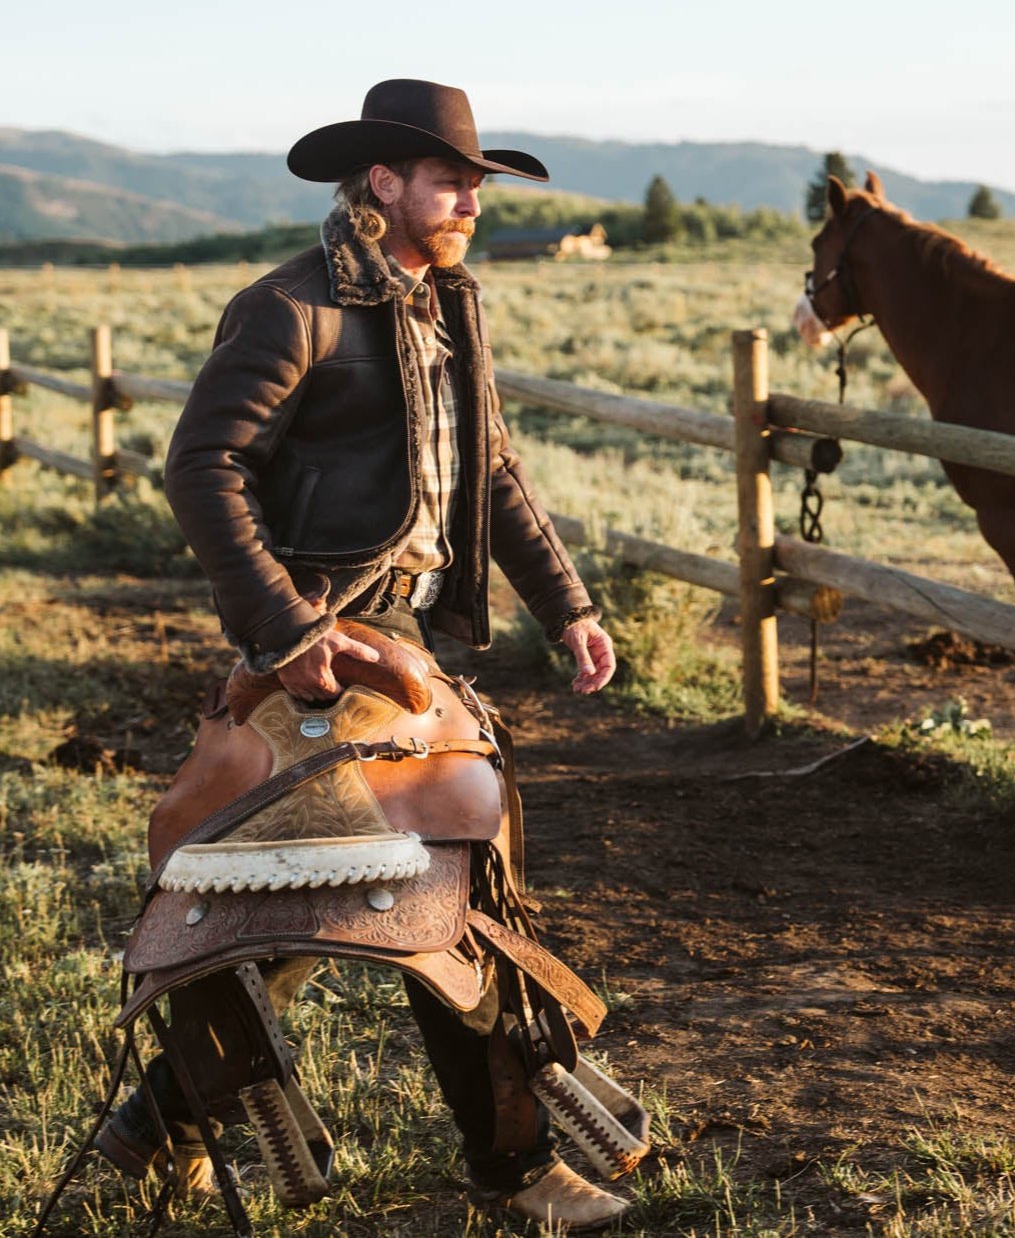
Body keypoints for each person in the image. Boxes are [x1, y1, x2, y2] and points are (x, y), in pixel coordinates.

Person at [95, 79, 628, 1231]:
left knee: (320, 910)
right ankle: (517, 1173)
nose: (469, 201)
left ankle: (147, 1130)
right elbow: (202, 468)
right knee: (423, 899)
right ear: (382, 183)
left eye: (477, 183)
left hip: (413, 648)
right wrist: (291, 633)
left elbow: (491, 473)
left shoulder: (444, 305)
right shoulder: (293, 308)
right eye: (449, 180)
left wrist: (568, 606)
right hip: (325, 655)